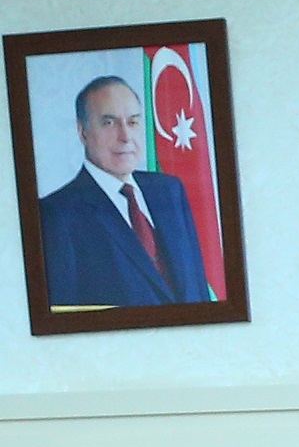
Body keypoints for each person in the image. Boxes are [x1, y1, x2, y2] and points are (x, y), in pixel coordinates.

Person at [36, 75, 211, 311]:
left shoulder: (170, 191)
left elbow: (197, 288)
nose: (125, 136)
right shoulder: (55, 215)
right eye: (109, 123)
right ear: (82, 131)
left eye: (133, 122)